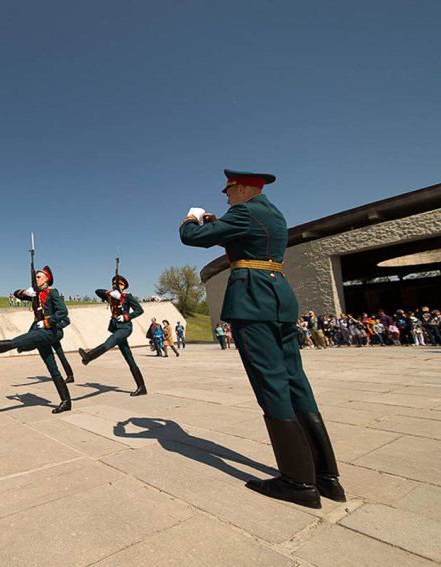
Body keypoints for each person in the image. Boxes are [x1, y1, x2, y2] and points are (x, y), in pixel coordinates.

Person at [180, 169, 344, 509]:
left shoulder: (243, 212)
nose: (226, 199)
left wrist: (192, 217)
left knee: (269, 383)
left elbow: (191, 238)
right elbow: (249, 242)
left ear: (239, 188)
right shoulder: (272, 213)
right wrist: (221, 225)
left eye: (228, 192)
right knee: (296, 381)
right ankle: (325, 476)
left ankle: (298, 481)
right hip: (278, 297)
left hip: (252, 299)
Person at [0, 265, 71, 413]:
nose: (36, 279)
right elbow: (17, 293)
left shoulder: (52, 292)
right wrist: (26, 292)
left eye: (39, 277)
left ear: (46, 279)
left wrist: (48, 322)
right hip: (39, 328)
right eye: (36, 276)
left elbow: (63, 311)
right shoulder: (35, 293)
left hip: (47, 330)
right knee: (52, 369)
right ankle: (66, 401)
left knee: (18, 341)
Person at [77, 275, 147, 396]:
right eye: (114, 284)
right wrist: (110, 293)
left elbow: (139, 310)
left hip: (125, 327)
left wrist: (126, 316)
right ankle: (141, 387)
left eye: (118, 284)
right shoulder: (111, 295)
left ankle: (90, 356)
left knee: (111, 341)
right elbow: (98, 291)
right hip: (116, 327)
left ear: (123, 286)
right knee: (129, 358)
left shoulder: (127, 296)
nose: (115, 286)